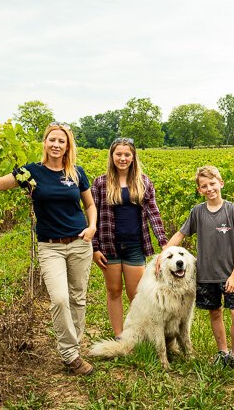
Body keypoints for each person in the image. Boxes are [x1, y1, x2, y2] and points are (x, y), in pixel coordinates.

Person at [0, 122, 97, 376]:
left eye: (61, 141)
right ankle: (70, 354)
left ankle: (74, 347)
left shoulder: (76, 172)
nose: (56, 145)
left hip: (79, 243)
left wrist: (92, 227)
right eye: (52, 140)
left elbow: (90, 205)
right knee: (59, 299)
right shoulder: (30, 172)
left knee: (78, 297)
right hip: (50, 247)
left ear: (68, 146)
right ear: (44, 142)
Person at [159, 165, 234, 371]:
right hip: (206, 275)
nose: (209, 188)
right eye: (204, 186)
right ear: (199, 190)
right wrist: (163, 254)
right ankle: (223, 353)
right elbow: (180, 235)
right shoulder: (197, 212)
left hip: (229, 275)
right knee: (215, 313)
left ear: (221, 183)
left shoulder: (233, 211)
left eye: (212, 184)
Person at [92, 137, 168, 338]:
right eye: (118, 154)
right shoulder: (101, 182)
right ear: (112, 156)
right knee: (114, 291)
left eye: (127, 154)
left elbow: (153, 213)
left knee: (136, 294)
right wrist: (94, 247)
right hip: (110, 246)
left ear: (133, 157)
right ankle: (119, 335)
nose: (122, 158)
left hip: (135, 244)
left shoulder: (143, 182)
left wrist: (164, 243)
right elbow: (92, 215)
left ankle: (137, 334)